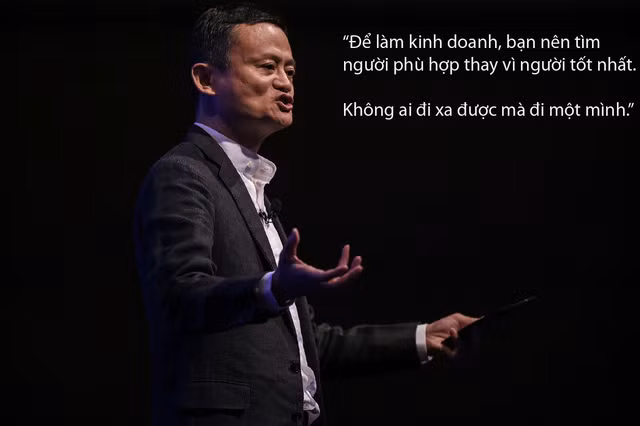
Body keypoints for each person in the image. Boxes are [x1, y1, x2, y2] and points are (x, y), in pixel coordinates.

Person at [133, 4, 477, 426]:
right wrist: (273, 288)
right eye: (267, 67)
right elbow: (180, 297)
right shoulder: (183, 174)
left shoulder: (254, 189)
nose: (285, 82)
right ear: (206, 79)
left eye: (290, 71)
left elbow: (309, 347)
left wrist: (424, 336)